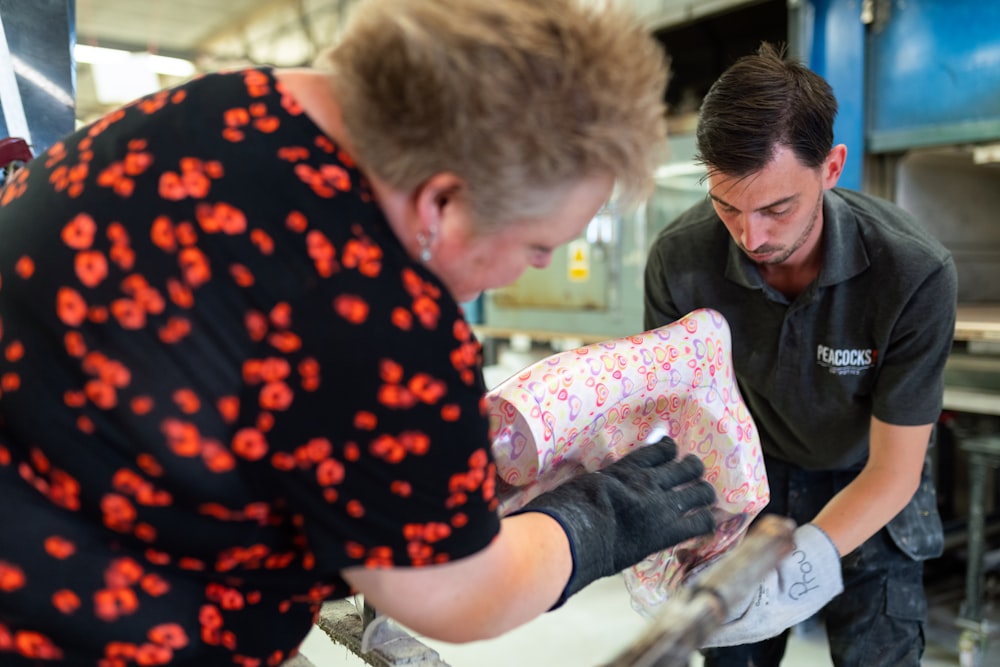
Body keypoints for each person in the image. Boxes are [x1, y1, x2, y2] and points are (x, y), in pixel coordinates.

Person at [0, 0, 719, 664]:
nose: (529, 268)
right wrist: (596, 520)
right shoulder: (377, 307)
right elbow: (458, 591)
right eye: (537, 246)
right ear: (441, 200)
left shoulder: (232, 104)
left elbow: (232, 379)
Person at [643, 42, 957, 667]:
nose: (751, 236)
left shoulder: (913, 272)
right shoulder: (680, 261)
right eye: (726, 205)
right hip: (745, 482)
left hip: (868, 480)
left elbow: (895, 470)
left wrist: (807, 559)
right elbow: (674, 421)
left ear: (832, 167)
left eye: (777, 207)